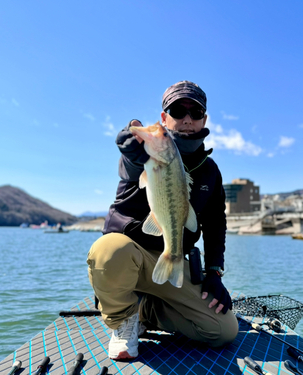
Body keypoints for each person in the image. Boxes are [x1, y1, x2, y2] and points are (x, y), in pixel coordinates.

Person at [87, 81, 238, 360]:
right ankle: (124, 319)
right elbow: (130, 165)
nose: (187, 119)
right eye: (178, 110)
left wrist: (214, 271)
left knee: (223, 330)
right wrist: (131, 147)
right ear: (163, 118)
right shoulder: (146, 152)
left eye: (195, 112)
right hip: (131, 259)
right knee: (107, 250)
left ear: (204, 119)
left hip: (173, 260)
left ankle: (147, 310)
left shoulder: (210, 171)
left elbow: (216, 222)